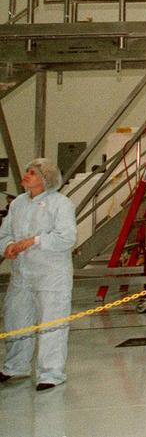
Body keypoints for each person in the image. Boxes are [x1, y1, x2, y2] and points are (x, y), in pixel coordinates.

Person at [0, 159, 76, 390]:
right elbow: (4, 233)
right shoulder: (18, 204)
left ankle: (50, 373)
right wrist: (9, 246)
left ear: (45, 179)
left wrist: (33, 241)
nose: (26, 175)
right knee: (16, 318)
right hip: (22, 274)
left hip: (51, 276)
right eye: (27, 171)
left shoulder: (61, 204)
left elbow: (67, 238)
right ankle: (15, 366)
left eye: (32, 173)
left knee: (51, 324)